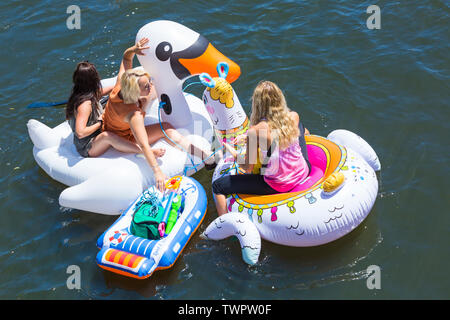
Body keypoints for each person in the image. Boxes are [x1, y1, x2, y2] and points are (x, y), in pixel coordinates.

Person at [102, 38, 216, 192]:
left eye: (148, 82)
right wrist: (157, 171)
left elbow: (126, 57)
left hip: (113, 120)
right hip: (124, 135)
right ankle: (204, 156)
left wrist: (133, 50)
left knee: (156, 89)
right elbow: (142, 144)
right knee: (166, 128)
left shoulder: (121, 84)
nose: (150, 85)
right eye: (146, 86)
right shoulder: (133, 115)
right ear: (135, 92)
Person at [212, 80, 311, 216]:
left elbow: (248, 168)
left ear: (257, 104)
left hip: (278, 185)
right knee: (300, 127)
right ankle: (309, 137)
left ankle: (225, 225)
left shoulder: (255, 131)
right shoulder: (293, 116)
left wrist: (233, 151)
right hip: (303, 171)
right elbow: (276, 129)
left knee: (218, 186)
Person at [65, 61, 163, 159]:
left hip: (96, 130)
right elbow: (80, 133)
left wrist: (127, 86)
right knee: (108, 136)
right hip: (88, 145)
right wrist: (100, 122)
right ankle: (147, 152)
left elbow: (113, 89)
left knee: (114, 99)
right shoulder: (85, 105)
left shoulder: (84, 92)